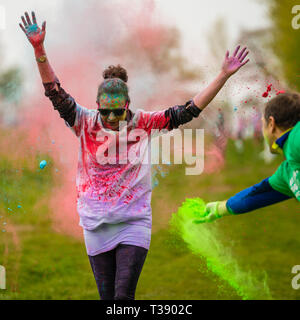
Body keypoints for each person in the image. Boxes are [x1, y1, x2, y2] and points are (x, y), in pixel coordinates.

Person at [19, 11, 250, 300]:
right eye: (106, 111)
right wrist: (39, 49)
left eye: (119, 111)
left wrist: (223, 75)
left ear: (128, 104)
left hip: (134, 221)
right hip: (95, 224)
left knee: (123, 298)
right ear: (97, 105)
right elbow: (54, 92)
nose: (113, 117)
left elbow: (187, 111)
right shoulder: (84, 121)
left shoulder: (143, 121)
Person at [194, 92, 300, 224]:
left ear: (271, 124)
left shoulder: (294, 141)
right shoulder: (288, 173)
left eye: (262, 124)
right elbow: (260, 193)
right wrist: (219, 208)